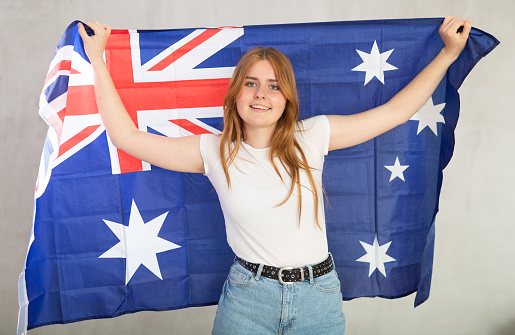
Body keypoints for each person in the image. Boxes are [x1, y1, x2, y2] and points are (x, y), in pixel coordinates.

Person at [78, 16, 471, 334]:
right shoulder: (213, 151)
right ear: (236, 95)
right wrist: (97, 58)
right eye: (251, 84)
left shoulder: (312, 136)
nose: (261, 94)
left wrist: (448, 54)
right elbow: (126, 136)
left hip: (318, 297)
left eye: (273, 86)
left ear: (287, 100)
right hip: (248, 300)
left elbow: (394, 113)